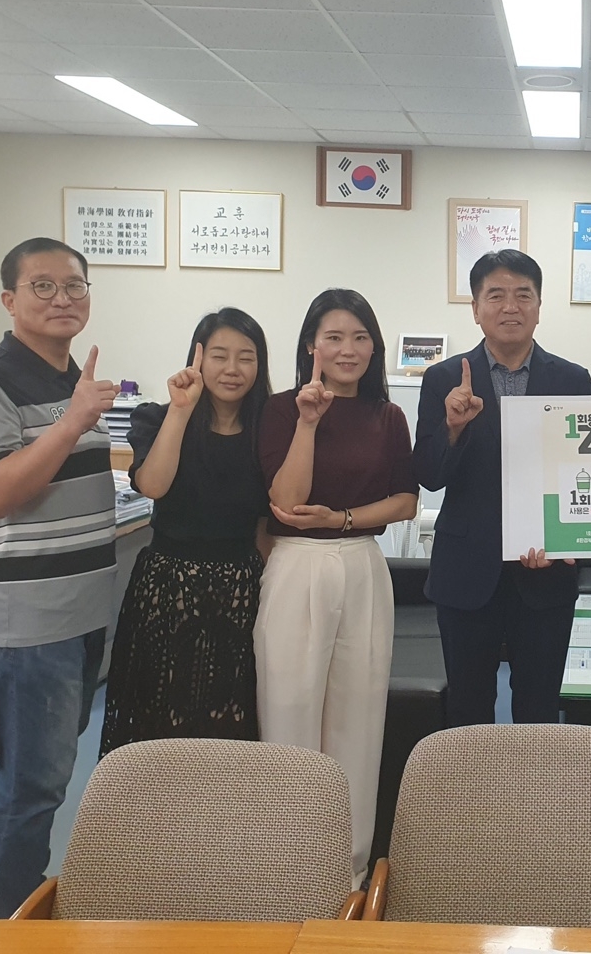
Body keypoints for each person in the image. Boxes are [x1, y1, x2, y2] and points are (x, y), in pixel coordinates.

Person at [0, 238, 119, 917]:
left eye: (74, 285)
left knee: (47, 781)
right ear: (9, 300)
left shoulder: (72, 379)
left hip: (81, 614)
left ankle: (20, 914)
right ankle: (5, 930)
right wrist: (73, 423)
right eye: (42, 286)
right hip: (28, 625)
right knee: (29, 793)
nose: (61, 298)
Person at [255, 289, 417, 886]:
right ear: (311, 346)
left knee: (359, 717)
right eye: (334, 337)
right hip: (297, 564)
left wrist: (344, 519)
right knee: (289, 708)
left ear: (374, 347)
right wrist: (308, 421)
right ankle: (288, 864)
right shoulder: (280, 409)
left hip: (363, 564)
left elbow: (406, 501)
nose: (348, 350)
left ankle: (349, 872)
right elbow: (286, 501)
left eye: (360, 338)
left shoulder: (388, 416)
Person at [414, 250, 591, 727]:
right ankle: (472, 783)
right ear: (476, 309)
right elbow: (429, 474)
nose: (510, 306)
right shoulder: (443, 378)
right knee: (467, 709)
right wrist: (453, 428)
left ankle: (534, 782)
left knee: (538, 711)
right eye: (496, 295)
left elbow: (582, 475)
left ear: (539, 306)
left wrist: (566, 540)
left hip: (546, 574)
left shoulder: (572, 380)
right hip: (466, 573)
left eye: (523, 295)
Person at [99, 308, 272, 756]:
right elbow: (153, 485)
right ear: (197, 358)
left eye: (246, 357)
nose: (232, 369)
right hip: (167, 586)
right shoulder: (157, 417)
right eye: (219, 355)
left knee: (231, 716)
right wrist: (181, 410)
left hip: (241, 589)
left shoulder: (269, 429)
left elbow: (266, 525)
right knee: (160, 714)